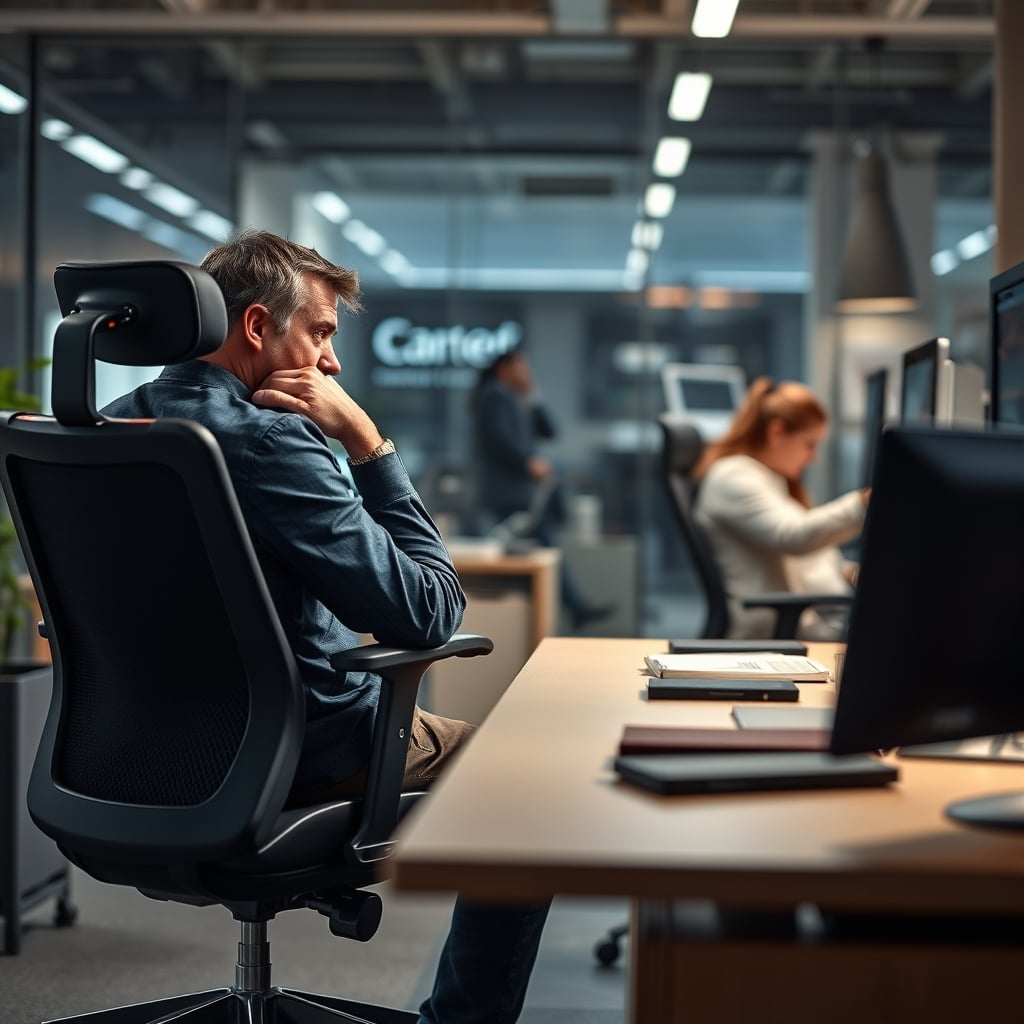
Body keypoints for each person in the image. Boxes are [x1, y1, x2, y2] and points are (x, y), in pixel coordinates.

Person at [101, 228, 549, 1024]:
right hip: (298, 749)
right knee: (529, 782)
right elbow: (427, 609)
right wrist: (369, 444)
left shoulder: (104, 431)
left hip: (127, 750)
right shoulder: (271, 439)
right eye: (321, 333)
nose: (331, 362)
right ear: (256, 328)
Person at [691, 377, 869, 641]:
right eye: (809, 444)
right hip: (769, 634)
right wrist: (862, 503)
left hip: (795, 624)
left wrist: (851, 572)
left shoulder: (769, 479)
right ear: (776, 433)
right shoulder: (732, 476)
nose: (814, 457)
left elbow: (809, 557)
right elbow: (793, 536)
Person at [469, 348, 614, 631]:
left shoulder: (516, 398)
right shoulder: (494, 396)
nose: (527, 372)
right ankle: (573, 608)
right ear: (504, 369)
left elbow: (549, 431)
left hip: (523, 494)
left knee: (544, 551)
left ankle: (571, 608)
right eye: (521, 367)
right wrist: (528, 460)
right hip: (508, 493)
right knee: (544, 549)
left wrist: (533, 396)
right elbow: (500, 438)